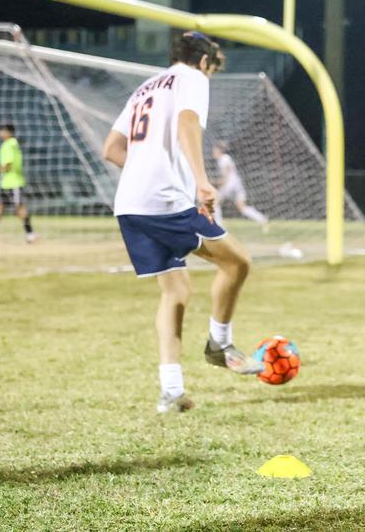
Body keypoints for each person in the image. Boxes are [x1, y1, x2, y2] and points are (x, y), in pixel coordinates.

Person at [101, 31, 262, 414]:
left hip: (130, 204)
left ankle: (171, 391)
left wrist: (145, 173)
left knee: (175, 291)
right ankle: (219, 343)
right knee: (237, 262)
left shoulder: (144, 88)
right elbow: (188, 122)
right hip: (162, 202)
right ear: (204, 61)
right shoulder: (191, 78)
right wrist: (201, 181)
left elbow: (111, 149)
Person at [0, 124, 35, 243]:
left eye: (2, 131)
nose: (0, 133)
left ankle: (31, 234)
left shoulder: (8, 145)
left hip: (14, 183)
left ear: (9, 133)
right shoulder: (14, 144)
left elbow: (7, 165)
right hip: (7, 183)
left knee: (19, 208)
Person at [211, 141, 269, 231]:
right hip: (237, 184)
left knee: (214, 202)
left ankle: (219, 227)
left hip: (230, 185)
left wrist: (218, 182)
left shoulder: (224, 158)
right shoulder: (225, 158)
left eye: (214, 150)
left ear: (219, 150)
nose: (213, 152)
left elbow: (227, 172)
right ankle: (262, 219)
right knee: (242, 207)